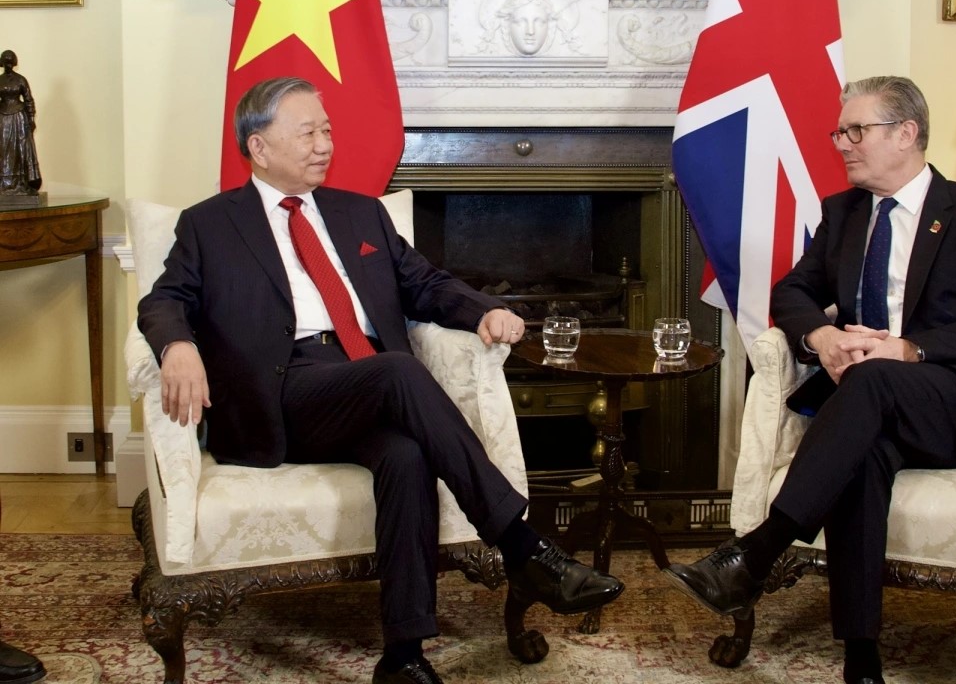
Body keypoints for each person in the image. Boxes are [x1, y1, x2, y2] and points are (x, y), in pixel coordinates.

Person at [137, 77, 624, 684]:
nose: (324, 144)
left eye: (327, 131)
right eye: (307, 133)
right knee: (398, 369)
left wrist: (483, 311)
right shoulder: (209, 224)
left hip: (364, 387)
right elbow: (164, 300)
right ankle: (522, 546)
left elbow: (424, 283)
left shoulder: (359, 212)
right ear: (258, 147)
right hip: (283, 394)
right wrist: (178, 344)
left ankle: (403, 655)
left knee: (406, 455)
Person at [664, 76, 956, 684]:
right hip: (875, 408)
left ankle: (760, 551)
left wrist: (907, 349)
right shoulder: (843, 213)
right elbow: (792, 292)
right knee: (862, 456)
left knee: (871, 380)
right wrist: (823, 338)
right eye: (840, 132)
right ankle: (861, 659)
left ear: (906, 133)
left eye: (856, 131)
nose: (841, 143)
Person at [0, 50, 41, 196]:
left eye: (10, 61)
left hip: (19, 118)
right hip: (3, 118)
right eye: (6, 61)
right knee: (3, 150)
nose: (8, 64)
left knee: (21, 149)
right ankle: (4, 184)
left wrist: (31, 119)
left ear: (14, 62)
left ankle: (22, 183)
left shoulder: (21, 80)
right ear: (2, 63)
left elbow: (29, 100)